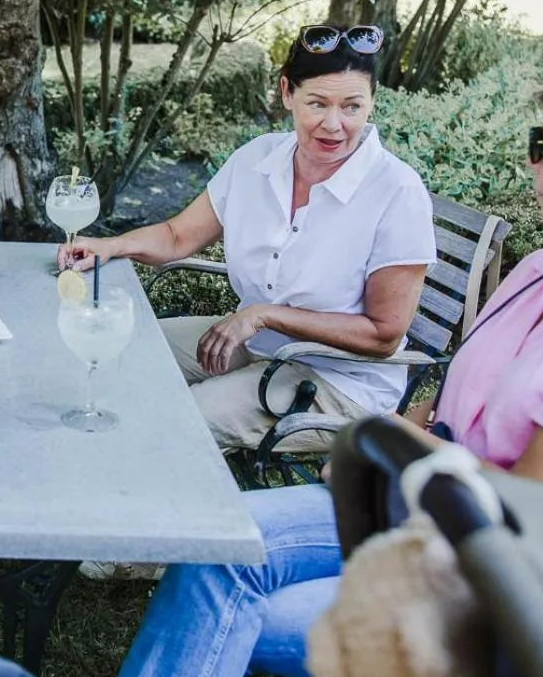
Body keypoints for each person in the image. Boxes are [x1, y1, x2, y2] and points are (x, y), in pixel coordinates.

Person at [104, 57, 543, 677]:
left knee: (232, 612)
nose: (530, 162)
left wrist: (379, 460)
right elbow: (448, 403)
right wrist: (394, 440)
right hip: (422, 512)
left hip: (508, 591)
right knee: (220, 549)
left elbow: (525, 514)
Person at [62, 25, 437, 457]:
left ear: (372, 102)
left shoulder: (397, 191)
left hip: (342, 381)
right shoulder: (257, 159)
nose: (334, 124)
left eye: (352, 106)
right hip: (257, 346)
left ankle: (160, 511)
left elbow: (383, 335)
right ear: (286, 93)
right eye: (317, 103)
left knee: (180, 420)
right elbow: (176, 235)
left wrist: (264, 315)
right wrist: (109, 246)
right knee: (115, 351)